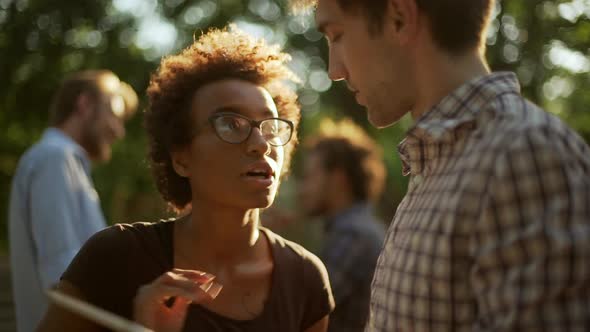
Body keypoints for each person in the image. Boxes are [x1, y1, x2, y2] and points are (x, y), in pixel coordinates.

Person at [291, 0, 590, 330]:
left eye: (337, 35)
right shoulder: (440, 162)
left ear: (399, 18)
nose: (335, 70)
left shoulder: (525, 156)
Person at [38, 27, 334, 332]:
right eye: (231, 124)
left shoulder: (305, 277)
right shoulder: (114, 259)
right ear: (181, 158)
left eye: (271, 126)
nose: (261, 143)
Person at [8, 70, 138, 332]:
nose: (119, 130)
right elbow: (63, 273)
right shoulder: (55, 159)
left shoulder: (63, 163)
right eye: (114, 111)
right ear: (84, 104)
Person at [298, 118, 386, 332]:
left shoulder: (354, 235)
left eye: (310, 176)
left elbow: (301, 309)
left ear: (338, 179)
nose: (303, 188)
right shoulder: (354, 229)